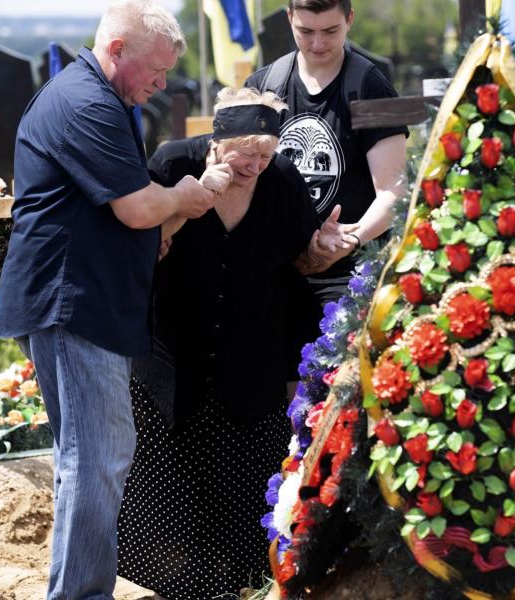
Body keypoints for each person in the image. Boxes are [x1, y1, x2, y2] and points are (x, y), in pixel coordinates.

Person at [0, 2, 215, 598]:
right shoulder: (87, 101)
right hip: (75, 304)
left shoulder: (105, 97)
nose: (162, 84)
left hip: (81, 298)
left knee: (85, 460)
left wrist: (148, 239)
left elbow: (114, 213)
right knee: (99, 459)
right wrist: (185, 196)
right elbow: (138, 205)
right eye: (156, 70)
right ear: (116, 50)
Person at [115, 87, 346, 600]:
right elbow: (137, 251)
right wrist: (192, 201)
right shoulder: (174, 163)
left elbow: (302, 261)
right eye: (248, 157)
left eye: (266, 155)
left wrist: (321, 249)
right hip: (172, 363)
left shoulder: (281, 178)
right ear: (218, 143)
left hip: (251, 367)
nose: (258, 167)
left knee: (244, 503)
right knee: (161, 497)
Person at [244, 0, 408, 383]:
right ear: (289, 19)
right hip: (278, 270)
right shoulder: (264, 86)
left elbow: (394, 189)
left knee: (338, 395)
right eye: (305, 31)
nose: (317, 43)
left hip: (346, 275)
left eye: (330, 31)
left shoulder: (370, 86)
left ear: (349, 20)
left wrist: (347, 238)